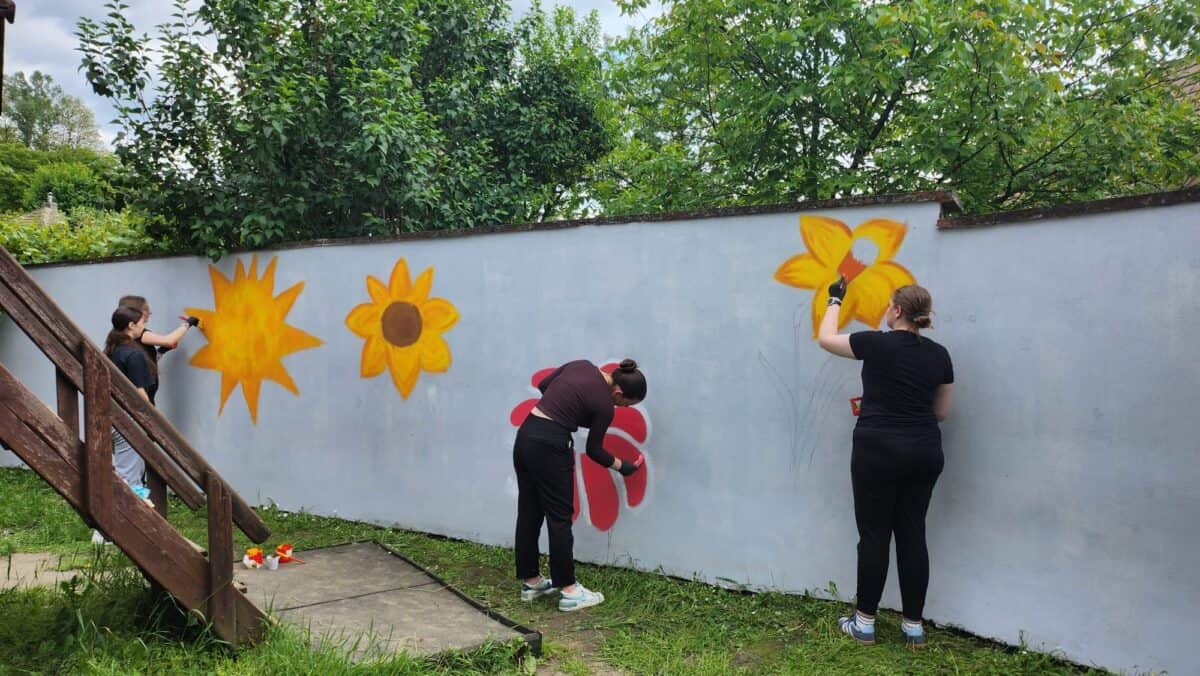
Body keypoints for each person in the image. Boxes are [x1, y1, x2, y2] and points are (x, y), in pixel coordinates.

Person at [817, 278, 954, 648]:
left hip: (877, 450)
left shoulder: (875, 343)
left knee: (875, 535)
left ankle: (864, 623)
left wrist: (835, 298)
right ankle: (913, 628)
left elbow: (826, 338)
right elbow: (941, 412)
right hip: (924, 452)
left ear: (896, 310)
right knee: (913, 535)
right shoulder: (940, 355)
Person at [513, 358, 647, 612]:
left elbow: (544, 386)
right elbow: (595, 451)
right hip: (552, 445)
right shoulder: (605, 405)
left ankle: (531, 582)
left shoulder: (582, 365)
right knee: (560, 516)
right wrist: (624, 466)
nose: (620, 408)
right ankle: (570, 590)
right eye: (624, 404)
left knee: (529, 511)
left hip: (526, 436)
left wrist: (573, 408)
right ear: (618, 392)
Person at [94, 306, 160, 543]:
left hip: (110, 418)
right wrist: (153, 422)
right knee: (130, 476)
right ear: (131, 325)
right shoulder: (134, 354)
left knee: (125, 472)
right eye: (142, 322)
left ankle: (115, 527)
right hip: (129, 421)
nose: (144, 326)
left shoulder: (114, 350)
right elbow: (140, 394)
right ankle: (107, 532)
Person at [117, 295, 198, 405]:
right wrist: (188, 323)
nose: (150, 312)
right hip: (141, 402)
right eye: (146, 309)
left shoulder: (122, 338)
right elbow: (169, 340)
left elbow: (142, 364)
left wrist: (160, 352)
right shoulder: (140, 334)